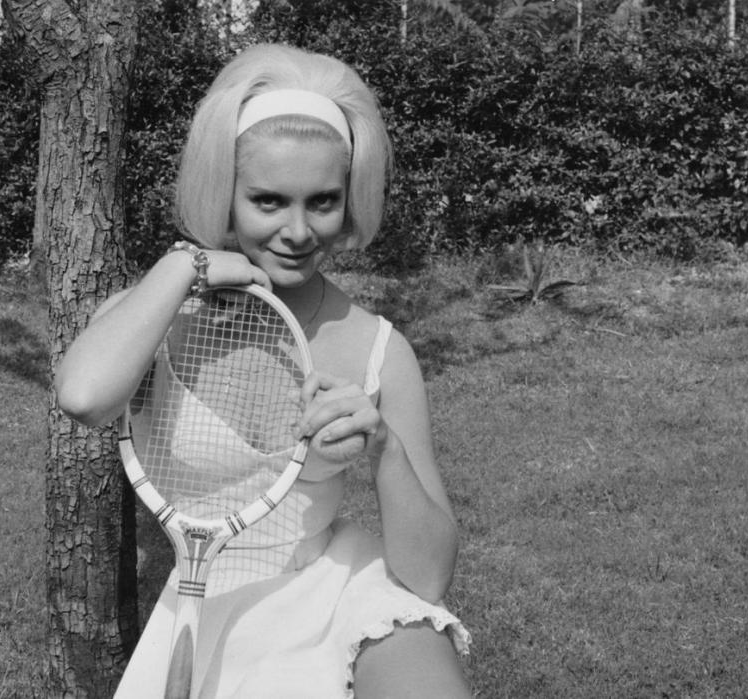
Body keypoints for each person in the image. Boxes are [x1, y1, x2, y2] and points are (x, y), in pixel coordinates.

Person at [55, 43, 472, 698]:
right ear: (225, 193)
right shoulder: (156, 316)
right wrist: (181, 268)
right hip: (209, 603)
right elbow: (81, 395)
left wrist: (383, 447)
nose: (299, 231)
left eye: (323, 201)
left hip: (338, 586)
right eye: (269, 201)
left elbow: (428, 576)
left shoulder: (380, 349)